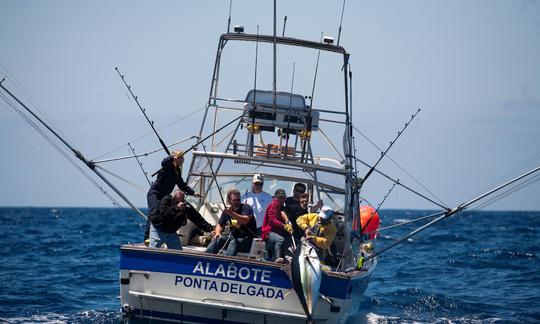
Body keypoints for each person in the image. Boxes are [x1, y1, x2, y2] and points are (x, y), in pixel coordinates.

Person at [144, 150, 200, 241]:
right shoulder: (168, 166)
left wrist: (193, 193)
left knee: (164, 214)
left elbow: (182, 185)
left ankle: (161, 236)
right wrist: (171, 158)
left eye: (182, 158)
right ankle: (147, 238)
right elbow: (163, 162)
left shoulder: (177, 171)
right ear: (175, 158)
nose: (181, 160)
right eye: (180, 158)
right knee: (154, 213)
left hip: (164, 197)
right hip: (155, 193)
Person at [206, 189, 257, 256]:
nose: (237, 202)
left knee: (233, 243)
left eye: (238, 200)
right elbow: (219, 224)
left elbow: (245, 220)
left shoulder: (246, 208)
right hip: (233, 237)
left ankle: (226, 263)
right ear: (229, 201)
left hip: (248, 239)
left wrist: (231, 213)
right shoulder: (226, 211)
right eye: (234, 200)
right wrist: (218, 233)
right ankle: (205, 258)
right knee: (218, 239)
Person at [261, 189, 293, 263]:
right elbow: (272, 220)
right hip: (269, 232)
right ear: (276, 198)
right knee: (280, 240)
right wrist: (284, 226)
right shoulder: (274, 205)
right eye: (280, 197)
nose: (282, 199)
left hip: (271, 233)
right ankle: (278, 259)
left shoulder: (279, 206)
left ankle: (268, 262)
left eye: (283, 197)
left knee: (268, 256)